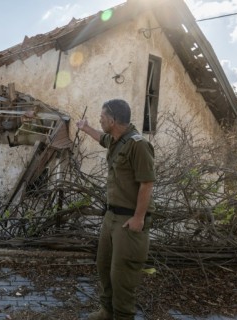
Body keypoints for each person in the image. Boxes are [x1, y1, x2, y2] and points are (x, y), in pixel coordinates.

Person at [76, 99, 156, 320]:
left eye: (102, 118)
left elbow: (147, 183)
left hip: (129, 220)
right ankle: (107, 311)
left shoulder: (138, 145)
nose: (100, 120)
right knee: (104, 266)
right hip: (111, 216)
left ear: (112, 120)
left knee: (122, 276)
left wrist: (139, 218)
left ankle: (122, 315)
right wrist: (85, 127)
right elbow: (102, 138)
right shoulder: (116, 140)